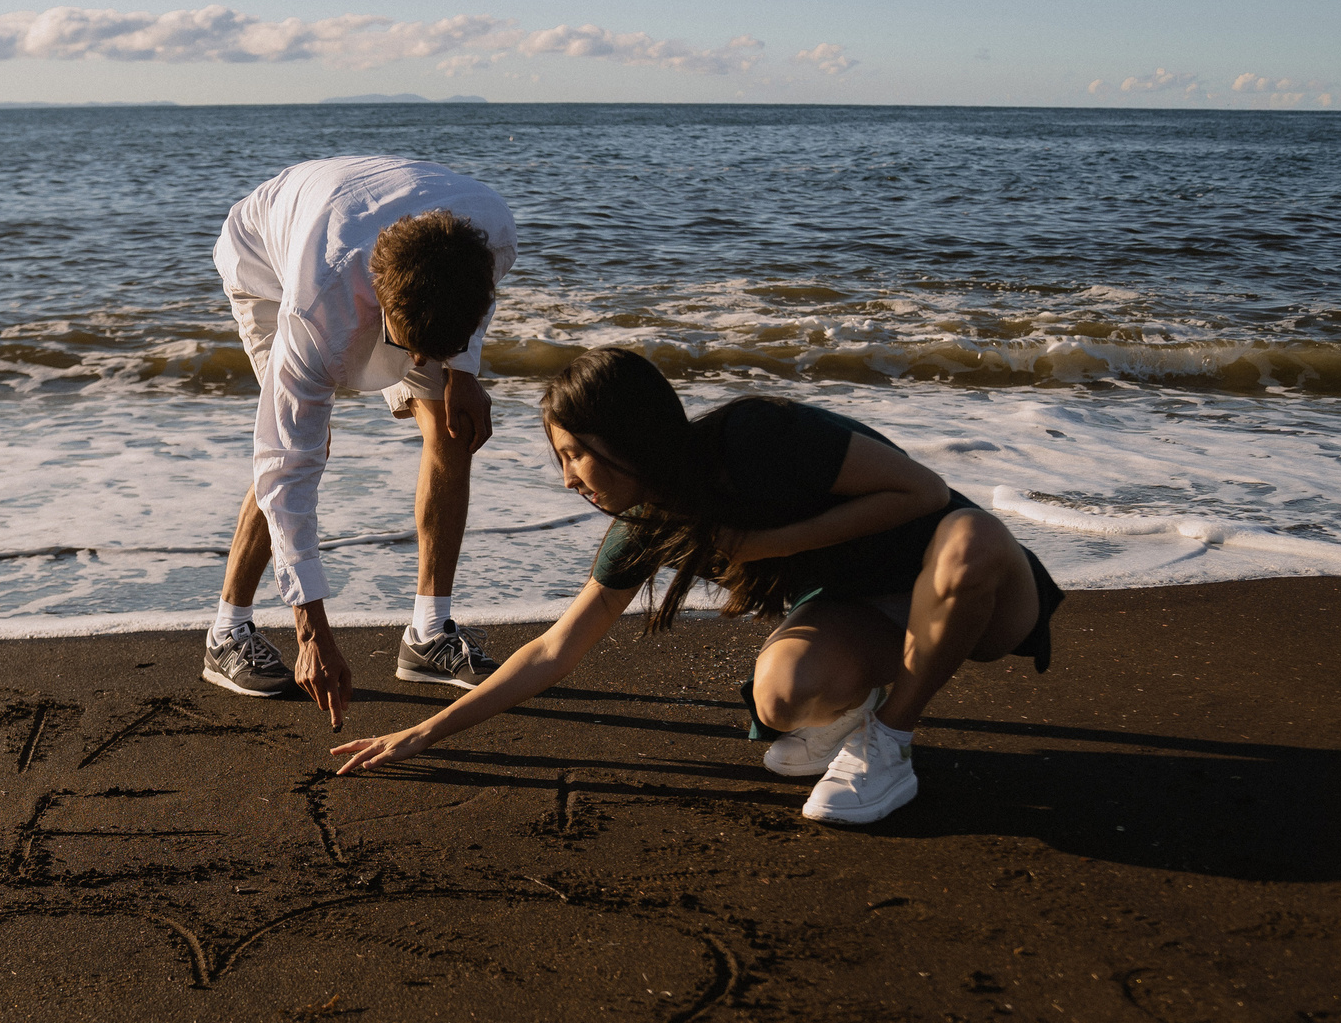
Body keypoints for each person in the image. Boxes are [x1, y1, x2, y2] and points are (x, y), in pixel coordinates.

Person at [331, 348, 1064, 825]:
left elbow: (925, 492)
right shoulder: (648, 527)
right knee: (781, 695)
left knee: (968, 545)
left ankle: (890, 743)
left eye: (577, 453)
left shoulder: (755, 438)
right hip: (870, 612)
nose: (569, 479)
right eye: (560, 459)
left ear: (628, 433)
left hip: (980, 589)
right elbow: (556, 651)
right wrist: (424, 733)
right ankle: (852, 717)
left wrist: (763, 544)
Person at [202, 156, 518, 729]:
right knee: (305, 449)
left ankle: (428, 634)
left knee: (452, 425)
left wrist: (463, 372)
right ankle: (227, 631)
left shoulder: (491, 232)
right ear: (379, 305)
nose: (417, 364)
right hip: (266, 260)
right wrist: (312, 633)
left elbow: (475, 302)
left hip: (383, 231)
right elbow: (284, 465)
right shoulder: (318, 308)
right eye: (410, 349)